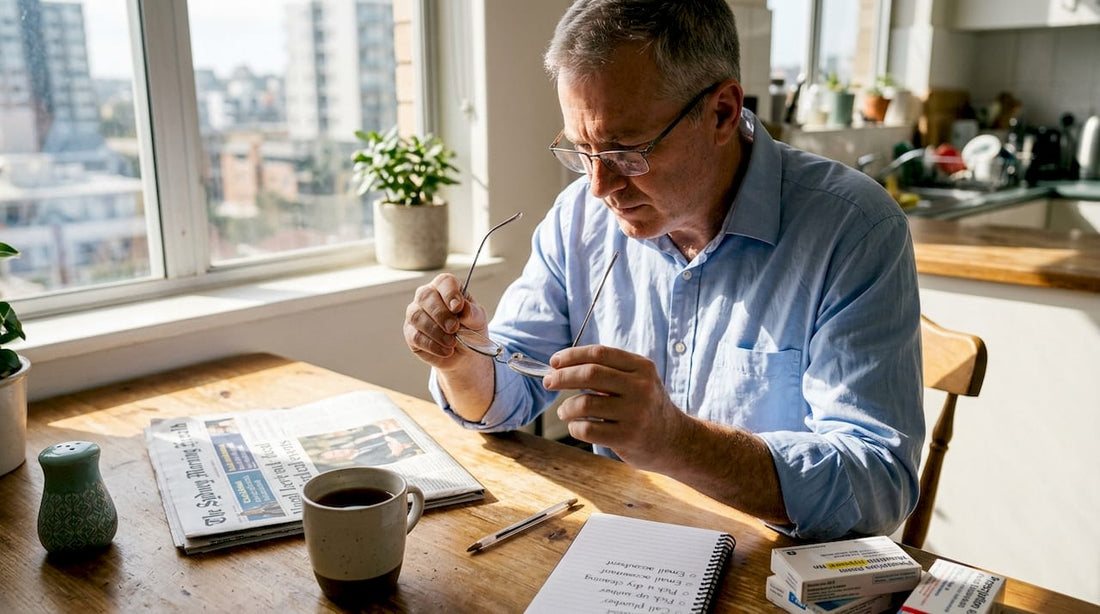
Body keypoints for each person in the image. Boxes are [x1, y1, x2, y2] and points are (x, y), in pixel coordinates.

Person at [402, 0, 923, 540]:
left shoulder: (854, 229)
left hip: (778, 571)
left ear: (721, 112)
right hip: (624, 545)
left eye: (627, 152)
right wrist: (463, 359)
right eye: (582, 150)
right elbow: (509, 396)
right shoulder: (579, 216)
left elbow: (879, 484)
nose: (600, 187)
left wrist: (677, 442)